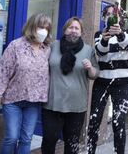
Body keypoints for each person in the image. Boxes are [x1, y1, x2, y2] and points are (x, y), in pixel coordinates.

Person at [0, 13, 52, 154]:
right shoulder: (16, 46)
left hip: (34, 101)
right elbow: (3, 71)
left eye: (46, 28)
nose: (43, 31)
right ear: (32, 27)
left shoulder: (47, 50)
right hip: (13, 99)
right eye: (40, 27)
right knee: (12, 137)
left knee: (26, 138)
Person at [41, 17, 99, 154]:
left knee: (72, 144)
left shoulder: (88, 50)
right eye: (70, 27)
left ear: (81, 32)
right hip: (52, 104)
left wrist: (90, 68)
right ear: (65, 30)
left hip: (76, 106)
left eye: (76, 28)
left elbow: (95, 74)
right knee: (49, 140)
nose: (73, 30)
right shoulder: (53, 46)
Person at [87, 4, 128, 154]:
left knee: (118, 122)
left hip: (122, 84)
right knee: (94, 120)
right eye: (107, 14)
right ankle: (90, 151)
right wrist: (105, 39)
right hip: (102, 82)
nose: (110, 16)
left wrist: (119, 34)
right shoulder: (98, 35)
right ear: (103, 17)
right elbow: (100, 52)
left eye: (113, 14)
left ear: (120, 18)